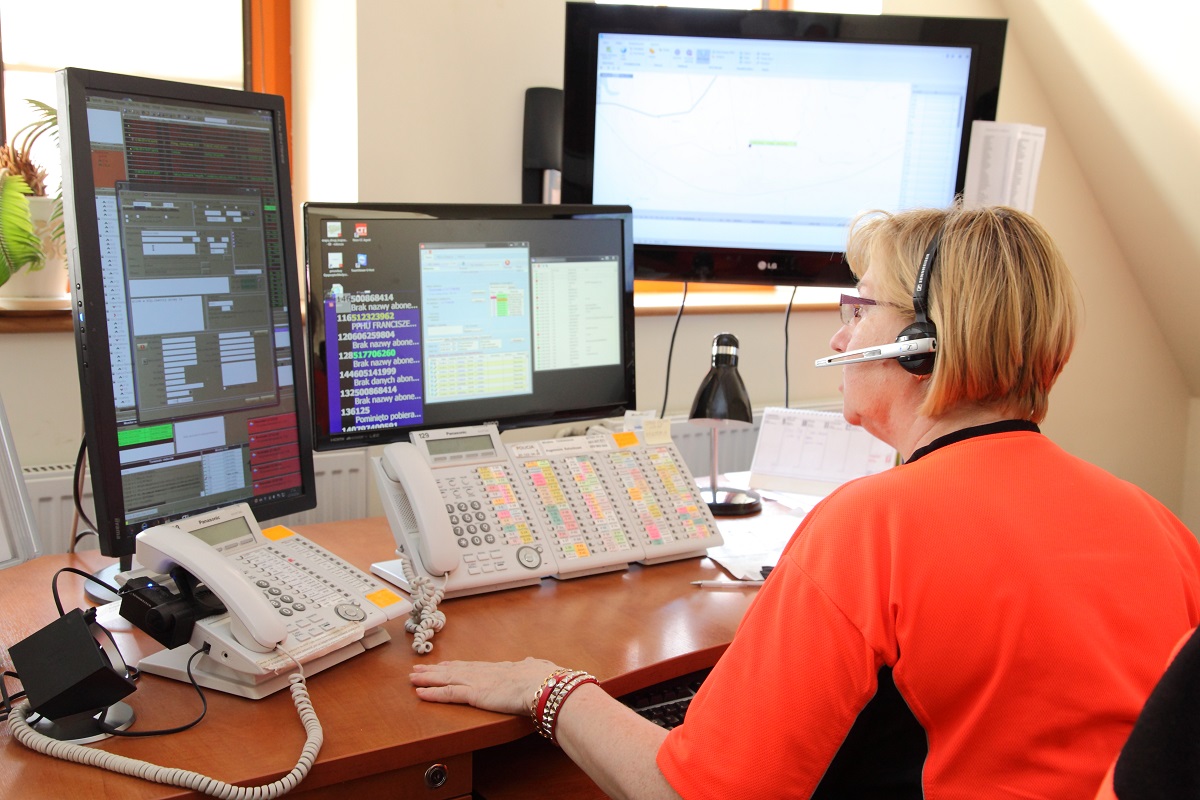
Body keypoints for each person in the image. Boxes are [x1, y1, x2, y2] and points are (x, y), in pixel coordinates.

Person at [410, 205, 1200, 799]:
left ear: (922, 343)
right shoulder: (1159, 525)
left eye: (860, 308)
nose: (844, 330)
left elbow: (693, 789)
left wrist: (549, 689)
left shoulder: (873, 527)